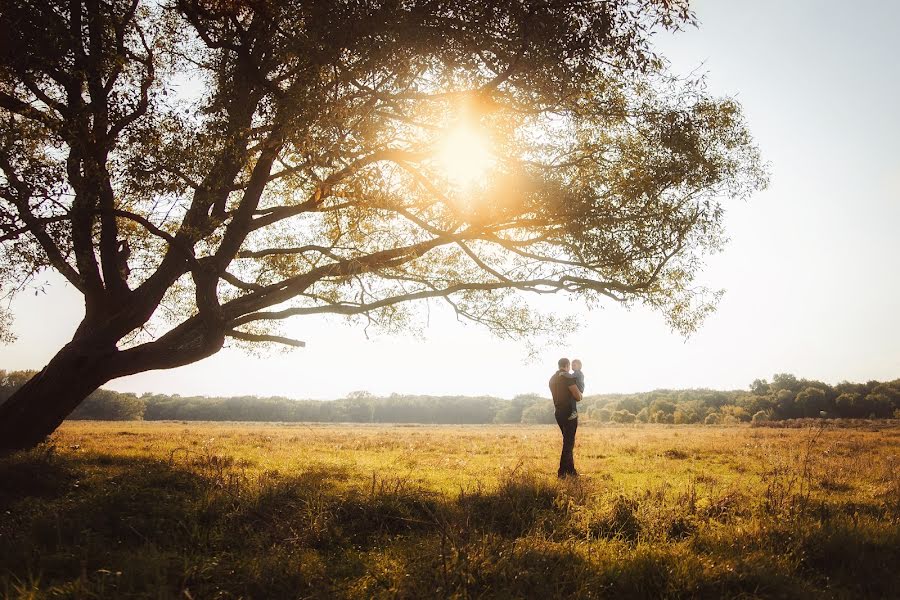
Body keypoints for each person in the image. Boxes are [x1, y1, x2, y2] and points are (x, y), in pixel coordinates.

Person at [549, 358, 583, 478]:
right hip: (569, 413)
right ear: (567, 365)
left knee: (567, 441)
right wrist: (580, 394)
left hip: (558, 413)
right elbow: (578, 397)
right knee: (568, 443)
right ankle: (562, 472)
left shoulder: (552, 379)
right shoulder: (567, 377)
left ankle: (571, 471)